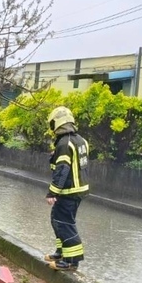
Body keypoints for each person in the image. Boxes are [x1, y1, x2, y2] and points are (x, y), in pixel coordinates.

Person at [44, 106, 90, 271]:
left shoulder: (64, 143)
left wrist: (52, 192)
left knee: (64, 222)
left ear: (56, 123)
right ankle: (61, 252)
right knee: (57, 219)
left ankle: (71, 261)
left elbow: (62, 170)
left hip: (69, 191)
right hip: (77, 189)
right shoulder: (80, 140)